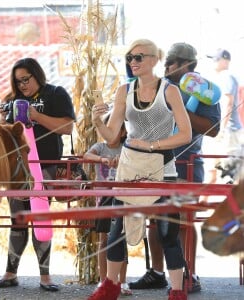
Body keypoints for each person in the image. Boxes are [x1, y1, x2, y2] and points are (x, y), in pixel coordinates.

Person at [88, 39, 192, 300]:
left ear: (155, 59)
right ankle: (109, 288)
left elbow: (186, 134)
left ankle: (178, 291)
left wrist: (151, 144)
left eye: (138, 57)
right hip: (130, 168)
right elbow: (112, 137)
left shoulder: (169, 91)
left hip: (162, 167)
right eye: (130, 57)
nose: (132, 62)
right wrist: (96, 121)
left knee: (168, 233)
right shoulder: (124, 90)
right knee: (117, 232)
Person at [128, 43, 221, 294]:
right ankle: (157, 273)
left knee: (182, 222)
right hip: (154, 161)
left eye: (171, 61)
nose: (166, 66)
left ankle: (189, 272)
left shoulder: (202, 88)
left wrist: (180, 108)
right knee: (156, 221)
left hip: (187, 163)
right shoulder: (157, 86)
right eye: (165, 61)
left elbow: (213, 129)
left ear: (187, 64)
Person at [0, 57, 76, 291]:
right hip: (18, 170)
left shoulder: (55, 93)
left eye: (26, 79)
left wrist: (35, 116)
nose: (22, 86)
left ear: (37, 75)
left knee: (40, 217)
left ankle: (45, 277)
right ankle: (10, 273)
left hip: (45, 165)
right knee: (18, 218)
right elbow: (0, 134)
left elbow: (68, 127)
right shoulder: (12, 99)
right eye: (18, 82)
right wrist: (2, 118)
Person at [83, 114, 131, 296]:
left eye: (116, 128)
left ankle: (122, 281)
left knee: (121, 239)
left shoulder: (127, 149)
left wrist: (123, 161)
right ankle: (104, 281)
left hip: (122, 197)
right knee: (104, 239)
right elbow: (87, 155)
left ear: (124, 131)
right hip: (103, 198)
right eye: (107, 127)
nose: (110, 132)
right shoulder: (100, 147)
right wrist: (103, 160)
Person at [204, 49, 243, 184]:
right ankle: (204, 203)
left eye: (215, 59)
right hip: (222, 130)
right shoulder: (221, 77)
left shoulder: (226, 76)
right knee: (212, 170)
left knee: (229, 175)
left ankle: (235, 205)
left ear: (223, 60)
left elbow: (228, 103)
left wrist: (221, 129)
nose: (213, 62)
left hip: (228, 131)